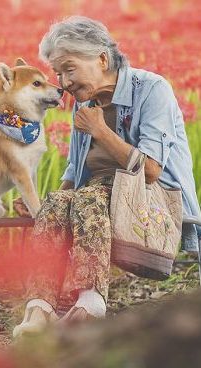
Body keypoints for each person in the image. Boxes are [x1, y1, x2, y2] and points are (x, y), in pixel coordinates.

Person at [12, 16, 200, 337]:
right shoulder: (84, 104)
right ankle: (39, 309)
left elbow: (151, 171)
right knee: (58, 200)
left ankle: (90, 306)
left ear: (102, 58)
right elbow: (74, 170)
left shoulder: (153, 90)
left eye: (69, 69)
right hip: (96, 203)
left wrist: (100, 129)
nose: (64, 82)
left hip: (150, 205)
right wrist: (51, 206)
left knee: (88, 195)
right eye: (58, 73)